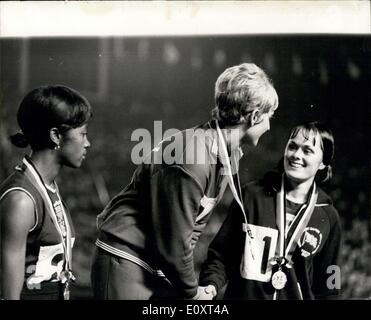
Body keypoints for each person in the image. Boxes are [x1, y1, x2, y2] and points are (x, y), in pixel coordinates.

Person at [91, 62, 279, 300]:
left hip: (152, 266)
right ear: (254, 116)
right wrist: (192, 293)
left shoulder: (225, 151)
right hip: (127, 260)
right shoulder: (193, 157)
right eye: (269, 117)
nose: (270, 125)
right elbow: (175, 245)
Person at [199, 121, 342, 300]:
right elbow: (221, 256)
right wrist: (210, 286)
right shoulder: (251, 196)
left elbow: (329, 286)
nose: (296, 155)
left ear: (323, 162)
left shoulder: (328, 216)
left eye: (307, 150)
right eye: (292, 146)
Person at [0, 85, 92, 300]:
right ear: (56, 136)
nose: (88, 143)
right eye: (83, 134)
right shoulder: (21, 200)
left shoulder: (46, 185)